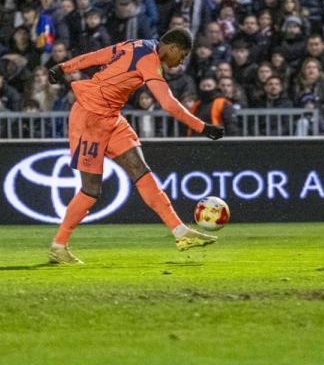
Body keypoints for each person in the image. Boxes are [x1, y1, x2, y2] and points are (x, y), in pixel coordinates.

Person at [46, 28, 225, 264]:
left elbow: (99, 55)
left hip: (111, 117)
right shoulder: (149, 61)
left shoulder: (138, 44)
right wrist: (203, 127)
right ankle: (58, 246)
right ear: (172, 47)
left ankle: (180, 232)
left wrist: (64, 67)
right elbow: (168, 104)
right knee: (91, 190)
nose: (181, 61)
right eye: (181, 55)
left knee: (140, 170)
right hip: (89, 117)